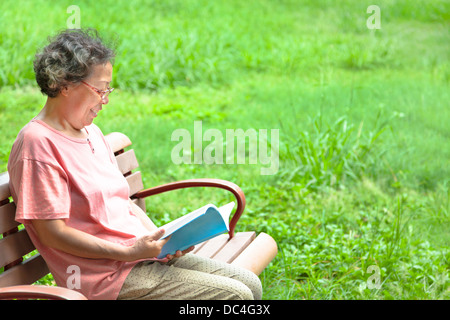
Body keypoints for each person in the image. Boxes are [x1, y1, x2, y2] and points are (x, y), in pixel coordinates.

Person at [7, 28, 262, 300]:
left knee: (249, 284)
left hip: (139, 259)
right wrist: (128, 252)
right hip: (106, 279)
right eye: (99, 90)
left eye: (109, 90)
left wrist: (162, 240)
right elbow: (53, 234)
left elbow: (122, 202)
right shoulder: (38, 144)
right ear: (64, 84)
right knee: (235, 296)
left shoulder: (90, 132)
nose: (105, 101)